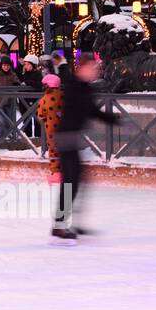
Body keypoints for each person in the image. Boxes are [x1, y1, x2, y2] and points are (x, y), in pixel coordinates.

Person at [51, 53, 119, 243]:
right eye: (92, 67)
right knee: (70, 183)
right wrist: (61, 64)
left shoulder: (83, 87)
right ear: (82, 68)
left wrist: (114, 119)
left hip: (71, 138)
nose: (96, 71)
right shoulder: (75, 85)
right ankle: (59, 225)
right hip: (65, 137)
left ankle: (67, 222)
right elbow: (89, 109)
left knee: (76, 182)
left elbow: (93, 111)